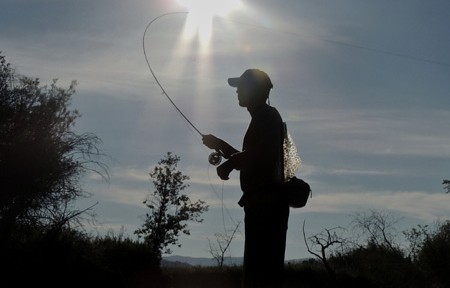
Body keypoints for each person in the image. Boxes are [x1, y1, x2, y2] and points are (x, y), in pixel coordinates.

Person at [203, 69, 289, 288]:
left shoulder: (268, 116)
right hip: (262, 207)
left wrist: (230, 164)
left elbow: (260, 154)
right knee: (258, 274)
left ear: (256, 90)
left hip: (267, 209)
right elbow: (253, 157)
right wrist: (220, 145)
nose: (238, 92)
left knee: (259, 276)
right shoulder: (264, 118)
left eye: (242, 87)